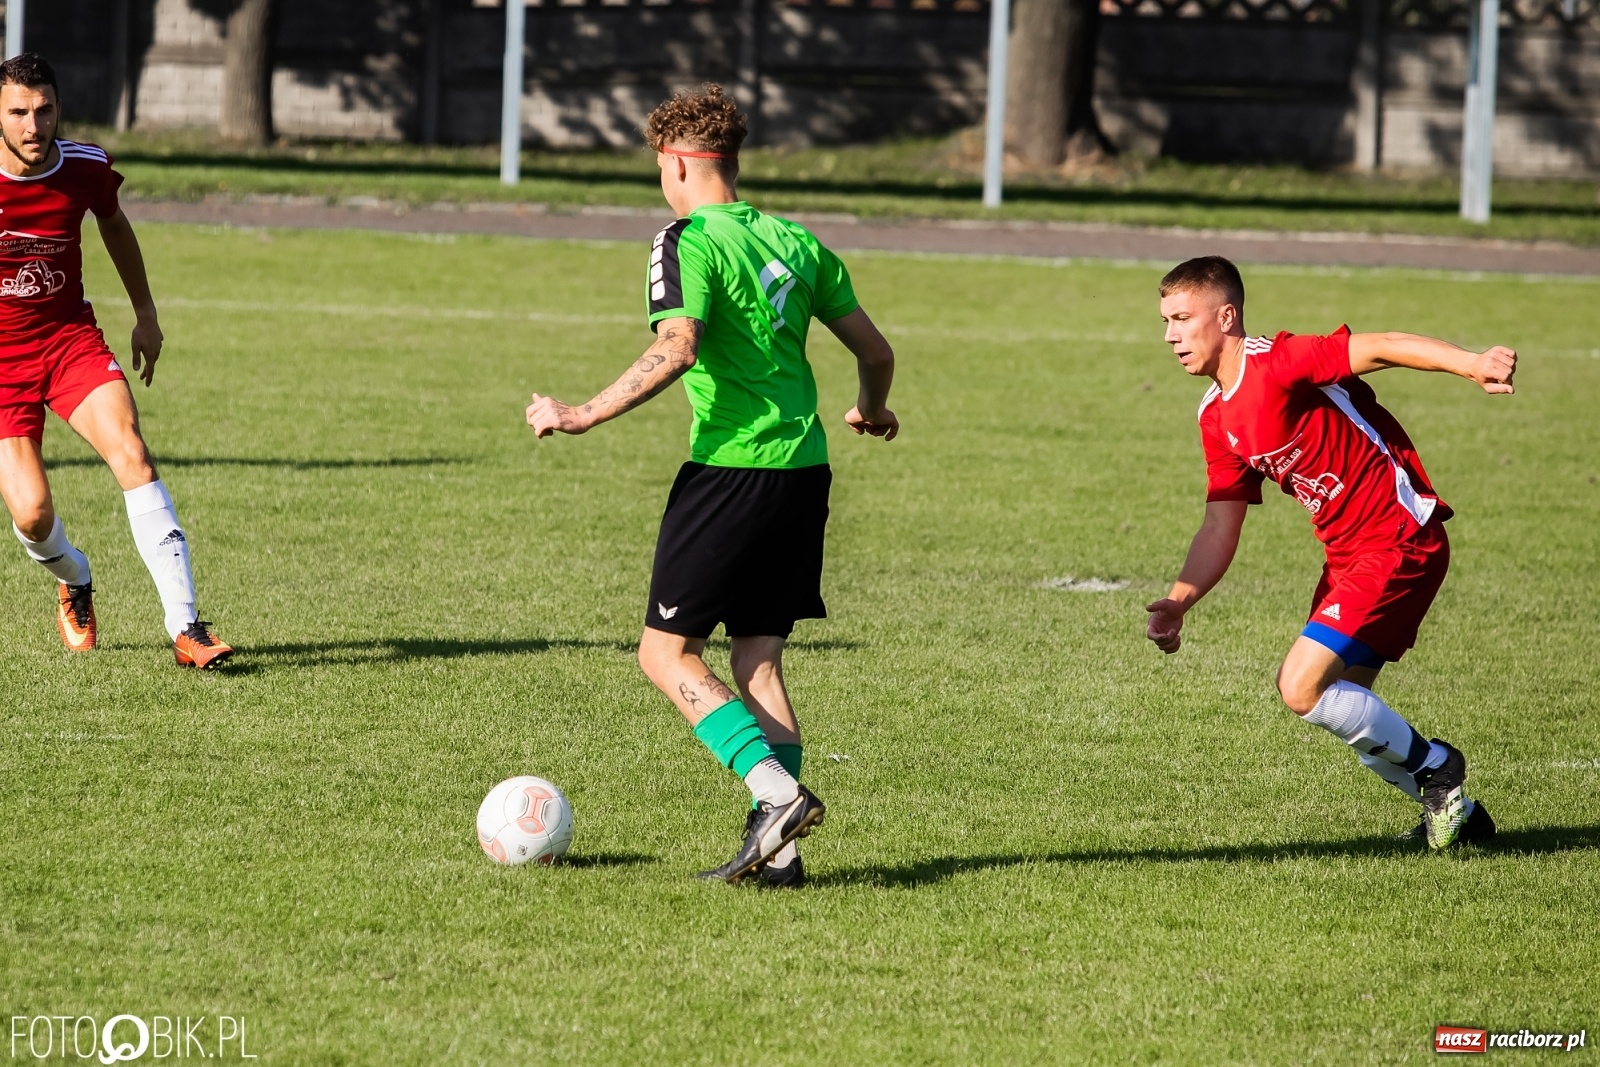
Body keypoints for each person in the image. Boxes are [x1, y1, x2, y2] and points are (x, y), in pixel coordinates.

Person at [526, 84, 898, 885]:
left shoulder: (685, 238)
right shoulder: (798, 241)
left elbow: (680, 344)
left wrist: (582, 413)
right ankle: (783, 860)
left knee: (665, 655)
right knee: (758, 658)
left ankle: (775, 794)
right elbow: (876, 353)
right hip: (803, 471)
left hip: (731, 470)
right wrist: (871, 412)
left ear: (678, 164)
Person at [1147, 255, 1512, 849]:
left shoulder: (1279, 363)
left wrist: (1472, 365)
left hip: (1398, 538)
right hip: (1347, 558)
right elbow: (1220, 525)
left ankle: (1440, 768)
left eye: (1183, 319)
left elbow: (1382, 346)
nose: (1170, 336)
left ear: (1227, 315)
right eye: (1165, 321)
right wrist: (1180, 600)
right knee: (1346, 707)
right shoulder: (1216, 417)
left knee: (1300, 686)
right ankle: (1461, 821)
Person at [0, 54, 231, 668]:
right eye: (18, 111)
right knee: (32, 512)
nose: (33, 124)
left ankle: (188, 628)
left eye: (44, 109)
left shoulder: (84, 166)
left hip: (68, 341)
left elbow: (115, 224)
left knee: (131, 450)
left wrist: (146, 313)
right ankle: (75, 578)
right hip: (1, 367)